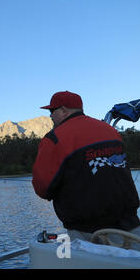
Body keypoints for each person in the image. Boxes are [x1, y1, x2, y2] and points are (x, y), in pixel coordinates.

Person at [31, 91, 140, 248]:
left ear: (63, 110)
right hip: (130, 224)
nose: (50, 116)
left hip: (88, 231)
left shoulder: (54, 138)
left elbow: (43, 188)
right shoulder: (110, 131)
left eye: (52, 111)